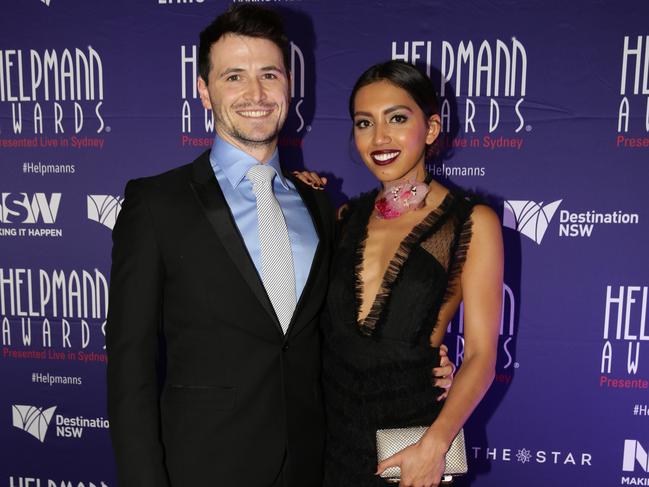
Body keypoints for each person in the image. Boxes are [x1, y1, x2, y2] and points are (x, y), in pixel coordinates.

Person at [106, 5, 456, 487]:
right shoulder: (155, 203)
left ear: (289, 86)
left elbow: (342, 328)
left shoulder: (318, 204)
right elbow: (130, 368)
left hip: (315, 463)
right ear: (204, 91)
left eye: (269, 74)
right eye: (234, 77)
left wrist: (422, 361)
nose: (255, 93)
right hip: (202, 467)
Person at [296, 60, 503, 487]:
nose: (380, 138)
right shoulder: (344, 216)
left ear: (430, 129)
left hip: (410, 444)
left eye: (397, 118)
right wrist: (292, 196)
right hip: (329, 442)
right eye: (364, 122)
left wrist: (436, 445)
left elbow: (482, 356)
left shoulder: (471, 222)